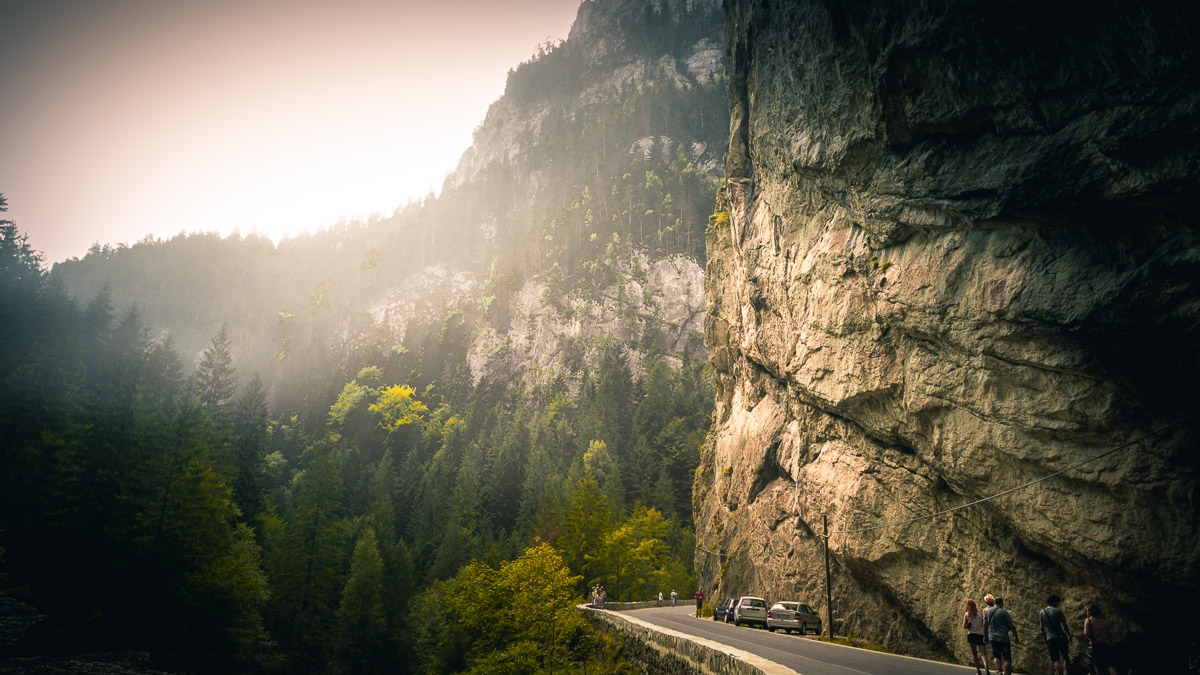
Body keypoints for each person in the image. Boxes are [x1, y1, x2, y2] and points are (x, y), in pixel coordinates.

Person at [984, 596, 1019, 675]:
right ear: (1002, 603)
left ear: (994, 603)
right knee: (1007, 658)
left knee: (996, 655)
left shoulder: (987, 612)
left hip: (993, 637)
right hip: (1003, 638)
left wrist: (985, 636)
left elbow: (985, 625)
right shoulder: (1004, 612)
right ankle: (1006, 673)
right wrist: (1016, 637)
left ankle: (999, 669)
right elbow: (1011, 626)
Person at [1039, 594, 1072, 675]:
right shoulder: (1058, 611)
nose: (1058, 604)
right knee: (1066, 658)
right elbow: (1064, 625)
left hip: (1050, 638)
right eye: (1057, 603)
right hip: (1060, 636)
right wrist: (1069, 635)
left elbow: (1041, 627)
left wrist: (1045, 637)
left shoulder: (1042, 612)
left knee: (1056, 659)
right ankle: (1067, 673)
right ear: (1054, 602)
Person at [1084, 604, 1117, 675]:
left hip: (1096, 646)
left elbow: (1086, 633)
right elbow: (1109, 634)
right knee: (1110, 665)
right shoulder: (1104, 621)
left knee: (1098, 667)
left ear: (1090, 612)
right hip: (1106, 645)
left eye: (1087, 610)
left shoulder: (1088, 621)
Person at [964, 598, 990, 675]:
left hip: (971, 635)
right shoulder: (980, 614)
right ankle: (986, 666)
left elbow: (964, 626)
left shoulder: (967, 614)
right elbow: (983, 624)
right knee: (983, 653)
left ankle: (978, 671)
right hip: (980, 635)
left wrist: (969, 625)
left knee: (974, 653)